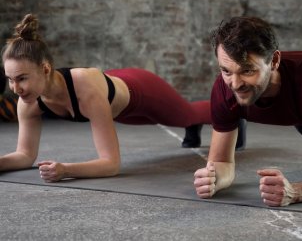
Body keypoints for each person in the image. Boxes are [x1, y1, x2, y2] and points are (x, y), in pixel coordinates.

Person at [1, 13, 212, 183]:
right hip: (120, 109)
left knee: (186, 115)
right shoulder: (27, 103)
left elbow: (111, 164)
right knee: (155, 120)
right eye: (10, 80)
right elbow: (25, 155)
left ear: (45, 69)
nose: (15, 88)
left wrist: (66, 170)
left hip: (141, 90)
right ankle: (193, 126)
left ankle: (230, 113)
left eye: (22, 79)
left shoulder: (85, 89)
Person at [194, 16, 302, 207]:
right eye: (226, 71)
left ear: (274, 60)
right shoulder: (224, 89)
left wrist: (295, 192)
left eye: (248, 71)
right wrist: (214, 179)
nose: (235, 84)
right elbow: (222, 163)